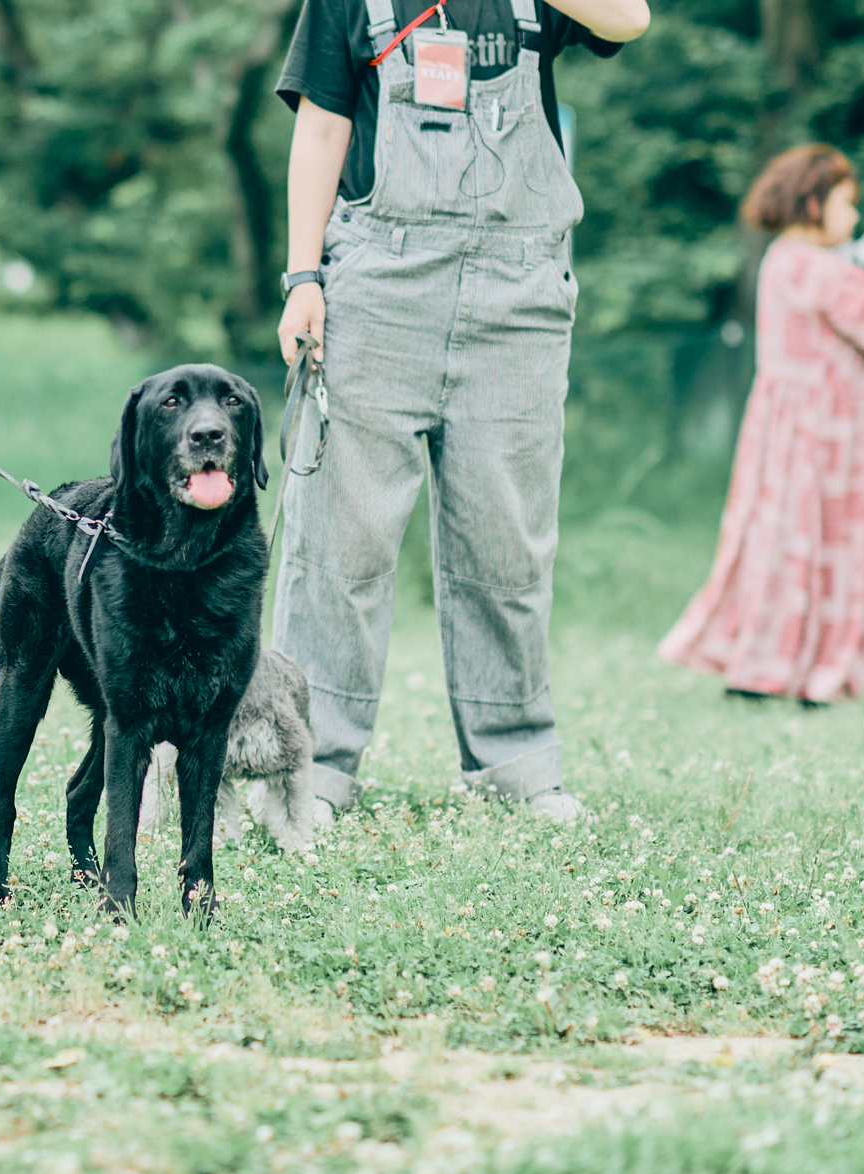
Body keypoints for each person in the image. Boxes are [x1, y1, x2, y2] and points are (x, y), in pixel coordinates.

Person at [270, 0, 649, 824]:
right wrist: (303, 278)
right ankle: (310, 770)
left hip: (521, 294)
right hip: (380, 281)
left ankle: (516, 766)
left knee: (508, 538)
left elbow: (631, 18)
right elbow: (322, 128)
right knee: (342, 539)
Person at [658, 146, 864, 705]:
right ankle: (805, 670)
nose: (853, 217)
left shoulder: (790, 259)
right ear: (813, 202)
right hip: (829, 432)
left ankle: (776, 665)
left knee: (787, 541)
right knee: (825, 544)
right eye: (847, 204)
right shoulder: (813, 266)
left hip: (806, 425)